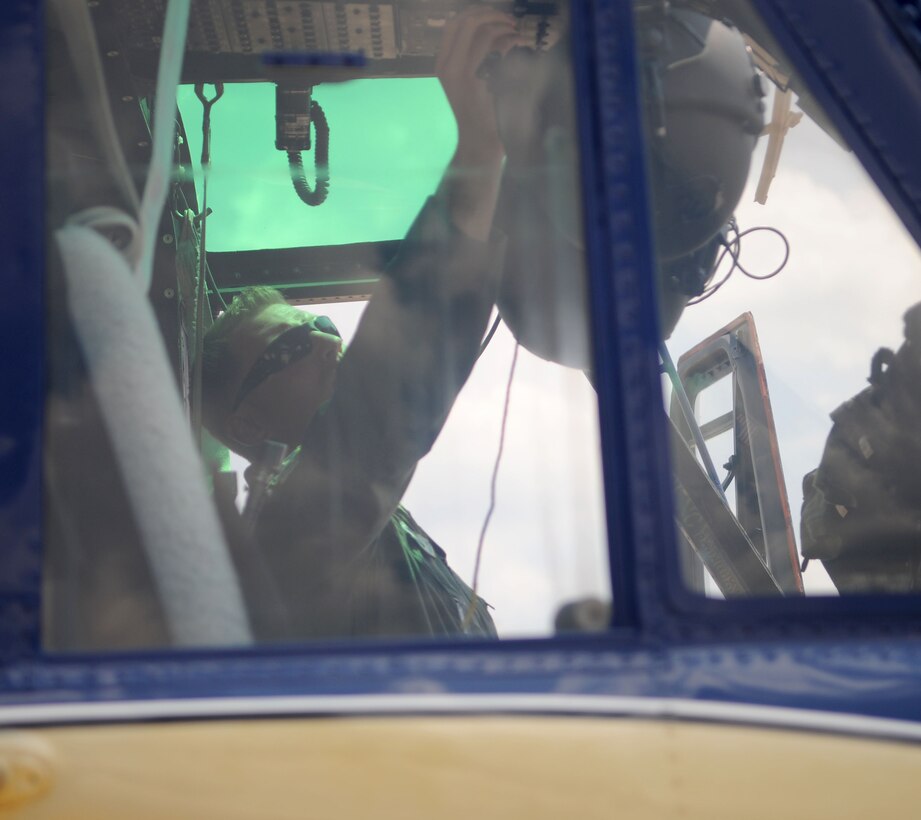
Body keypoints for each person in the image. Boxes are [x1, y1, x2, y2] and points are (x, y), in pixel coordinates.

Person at [200, 8, 525, 641]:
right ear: (246, 425)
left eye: (319, 322)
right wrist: (480, 148)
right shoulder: (287, 543)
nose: (327, 340)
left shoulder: (369, 530)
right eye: (290, 343)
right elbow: (378, 409)